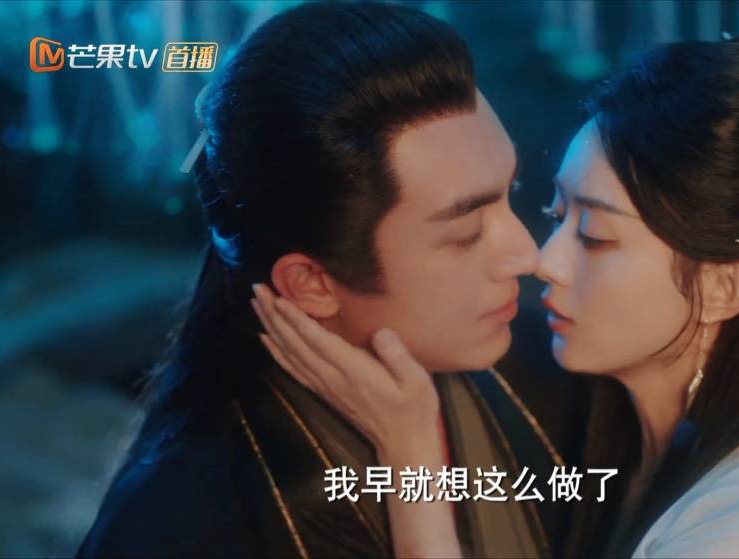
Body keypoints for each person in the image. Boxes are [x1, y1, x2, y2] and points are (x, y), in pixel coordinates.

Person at [255, 31, 739, 558]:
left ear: (722, 288)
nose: (543, 261)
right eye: (557, 216)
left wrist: (409, 448)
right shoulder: (615, 454)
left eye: (596, 237)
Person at [77, 3, 639, 558]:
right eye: (467, 233)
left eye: (508, 193)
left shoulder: (560, 374)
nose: (526, 255)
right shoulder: (183, 526)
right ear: (311, 284)